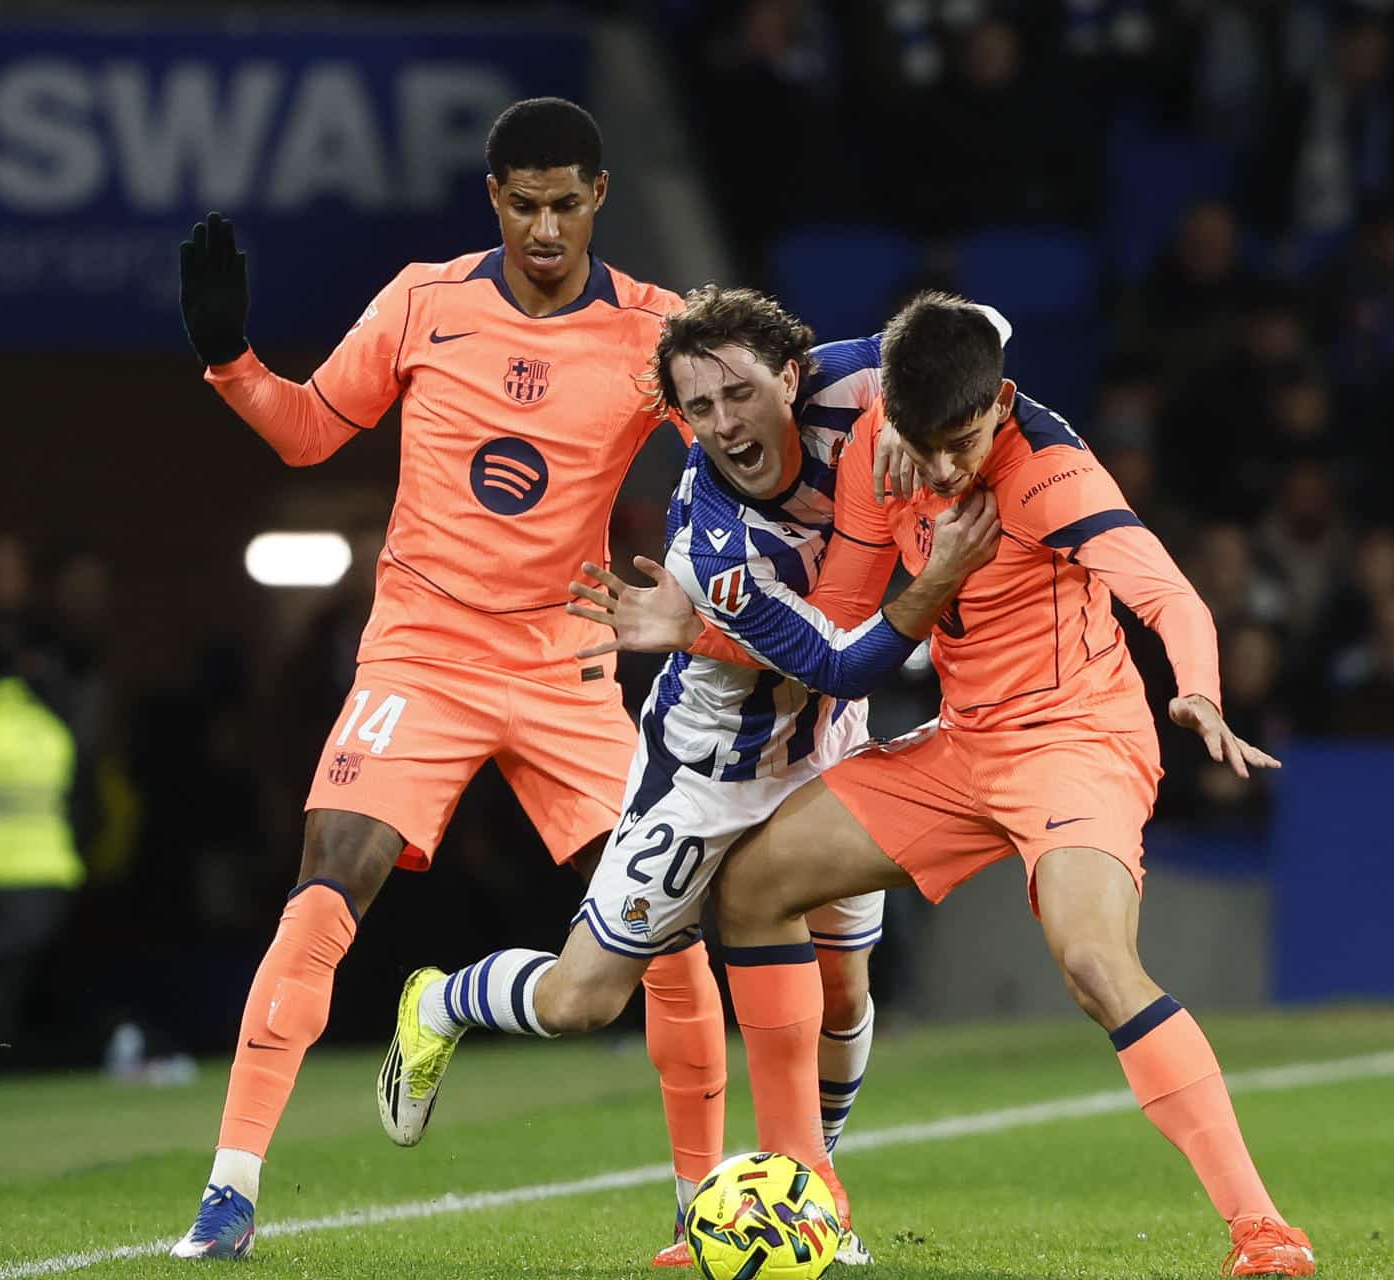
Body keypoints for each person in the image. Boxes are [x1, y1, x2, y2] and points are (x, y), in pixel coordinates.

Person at [592, 292, 1317, 1276]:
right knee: (752, 886)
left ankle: (1263, 1228)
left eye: (964, 440)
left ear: (1002, 403)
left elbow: (1168, 593)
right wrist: (700, 629)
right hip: (962, 743)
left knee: (1096, 964)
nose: (942, 467)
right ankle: (802, 1192)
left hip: (1076, 741)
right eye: (923, 440)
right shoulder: (873, 456)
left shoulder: (1050, 471)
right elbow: (840, 631)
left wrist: (1197, 690)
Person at [166, 97, 722, 1262]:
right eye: (523, 204)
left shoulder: (654, 333)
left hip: (568, 660)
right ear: (494, 201)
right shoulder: (424, 299)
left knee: (664, 928)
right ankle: (227, 1197)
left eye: (566, 203)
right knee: (328, 880)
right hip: (423, 650)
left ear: (601, 199)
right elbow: (314, 430)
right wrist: (230, 361)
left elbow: (748, 425)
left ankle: (695, 1204)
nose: (544, 227)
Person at [375, 286, 998, 1267]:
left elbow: (984, 329)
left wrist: (919, 429)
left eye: (736, 394)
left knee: (844, 982)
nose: (721, 424)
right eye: (697, 409)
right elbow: (836, 659)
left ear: (789, 376)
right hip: (709, 773)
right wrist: (930, 580)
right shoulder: (711, 544)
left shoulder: (863, 380)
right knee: (584, 998)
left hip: (828, 746)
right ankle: (443, 1002)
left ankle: (809, 1193)